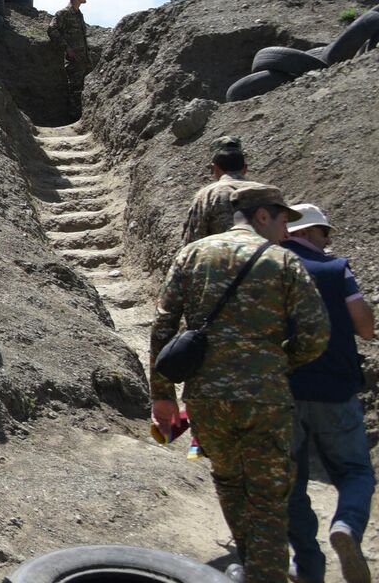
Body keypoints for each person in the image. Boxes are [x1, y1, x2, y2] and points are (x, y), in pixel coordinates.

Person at [150, 182, 331, 583]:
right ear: (262, 215)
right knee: (267, 501)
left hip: (206, 399)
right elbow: (317, 333)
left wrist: (162, 397)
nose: (286, 230)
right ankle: (264, 575)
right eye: (284, 219)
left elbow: (163, 328)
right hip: (265, 398)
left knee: (229, 483)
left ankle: (251, 568)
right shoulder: (282, 262)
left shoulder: (192, 254)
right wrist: (278, 361)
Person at [282, 203, 375, 583]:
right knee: (355, 471)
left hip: (283, 391)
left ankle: (308, 568)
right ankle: (347, 526)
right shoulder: (335, 269)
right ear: (305, 233)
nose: (329, 240)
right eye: (324, 232)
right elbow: (366, 329)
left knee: (293, 483)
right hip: (336, 389)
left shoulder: (264, 268)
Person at [184, 136, 251, 247]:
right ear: (245, 168)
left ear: (215, 169)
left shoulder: (207, 195)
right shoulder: (270, 192)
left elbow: (193, 242)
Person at [48, 0, 91, 120]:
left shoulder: (79, 15)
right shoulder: (64, 14)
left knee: (83, 90)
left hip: (84, 60)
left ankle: (83, 119)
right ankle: (74, 120)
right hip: (73, 61)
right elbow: (52, 30)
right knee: (75, 90)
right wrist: (67, 48)